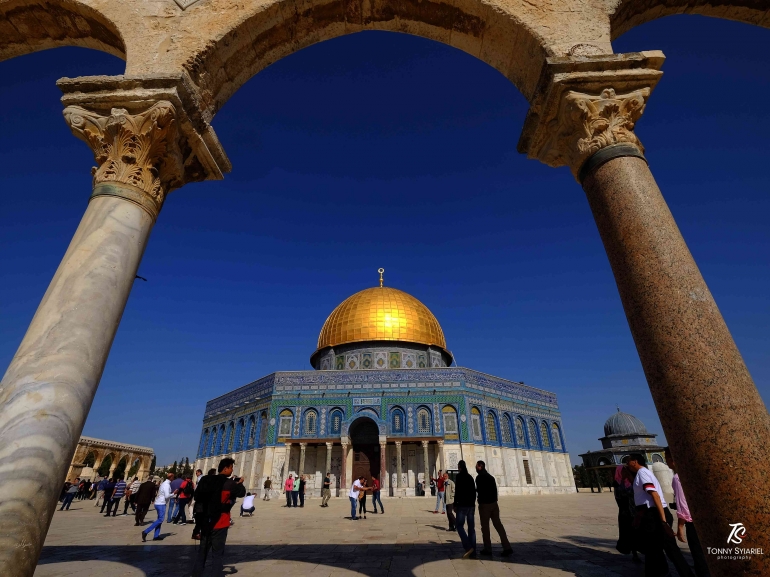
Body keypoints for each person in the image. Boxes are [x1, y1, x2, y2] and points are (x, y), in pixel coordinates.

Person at [626, 453, 695, 577]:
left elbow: (655, 496)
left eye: (628, 461)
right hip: (654, 514)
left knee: (657, 549)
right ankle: (678, 573)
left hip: (654, 515)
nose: (627, 464)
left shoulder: (642, 473)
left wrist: (663, 521)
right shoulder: (642, 473)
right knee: (662, 548)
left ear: (635, 462)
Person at [191, 458, 246, 577]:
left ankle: (196, 574)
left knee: (202, 552)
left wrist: (197, 526)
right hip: (220, 522)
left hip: (205, 523)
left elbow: (197, 498)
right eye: (231, 468)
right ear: (225, 468)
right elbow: (242, 493)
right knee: (217, 554)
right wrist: (240, 482)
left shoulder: (205, 480)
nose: (232, 470)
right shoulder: (229, 483)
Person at [665, 448, 710, 577]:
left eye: (667, 459)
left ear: (672, 459)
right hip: (705, 521)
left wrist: (680, 527)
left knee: (699, 556)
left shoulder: (678, 478)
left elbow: (683, 505)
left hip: (693, 524)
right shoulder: (693, 473)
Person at [475, 461, 513, 557]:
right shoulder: (491, 477)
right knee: (499, 526)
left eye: (477, 466)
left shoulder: (479, 478)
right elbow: (495, 491)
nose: (476, 468)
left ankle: (488, 549)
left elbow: (479, 491)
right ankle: (507, 547)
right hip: (494, 505)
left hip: (485, 505)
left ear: (480, 467)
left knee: (485, 528)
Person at [613, 465, 642, 564]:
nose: (625, 472)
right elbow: (619, 497)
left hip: (637, 511)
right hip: (626, 513)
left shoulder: (633, 481)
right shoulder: (617, 483)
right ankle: (634, 554)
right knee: (630, 533)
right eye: (623, 471)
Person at [453, 460, 477, 559]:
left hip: (462, 505)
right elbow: (474, 491)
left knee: (459, 525)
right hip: (471, 506)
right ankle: (473, 552)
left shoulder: (459, 477)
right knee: (471, 529)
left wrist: (455, 503)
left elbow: (457, 491)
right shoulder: (470, 477)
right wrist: (473, 503)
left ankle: (468, 547)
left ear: (459, 467)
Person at [142, 473, 173, 542]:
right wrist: (174, 493)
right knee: (161, 519)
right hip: (161, 504)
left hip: (158, 503)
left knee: (159, 520)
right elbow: (167, 496)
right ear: (171, 477)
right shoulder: (166, 485)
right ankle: (146, 532)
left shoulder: (164, 483)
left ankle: (156, 536)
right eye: (173, 477)